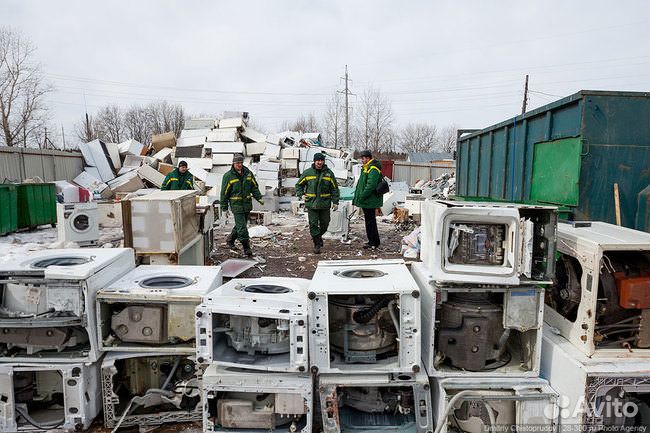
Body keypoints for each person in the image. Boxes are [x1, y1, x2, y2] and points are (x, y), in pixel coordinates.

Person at [296, 152, 340, 254]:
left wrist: (335, 202)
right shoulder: (307, 173)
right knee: (313, 224)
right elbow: (299, 185)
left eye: (321, 160)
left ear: (323, 161)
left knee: (325, 224)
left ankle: (318, 236)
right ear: (314, 161)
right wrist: (301, 195)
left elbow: (334, 189)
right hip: (312, 204)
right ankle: (317, 244)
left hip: (324, 204)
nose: (319, 162)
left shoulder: (329, 173)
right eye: (317, 160)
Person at [220, 154, 263, 257]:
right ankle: (246, 248)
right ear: (233, 163)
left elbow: (254, 187)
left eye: (241, 163)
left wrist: (259, 197)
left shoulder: (248, 173)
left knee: (240, 225)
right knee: (242, 227)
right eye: (237, 163)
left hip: (247, 205)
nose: (239, 165)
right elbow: (224, 193)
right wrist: (224, 207)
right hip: (236, 206)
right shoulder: (228, 176)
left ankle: (230, 240)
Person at [352, 150, 383, 249]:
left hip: (370, 199)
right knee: (370, 221)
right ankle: (373, 241)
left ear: (369, 158)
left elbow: (371, 185)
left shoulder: (372, 169)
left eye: (365, 158)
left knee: (370, 222)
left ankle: (373, 242)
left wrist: (362, 196)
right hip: (368, 199)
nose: (363, 160)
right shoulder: (366, 168)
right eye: (362, 158)